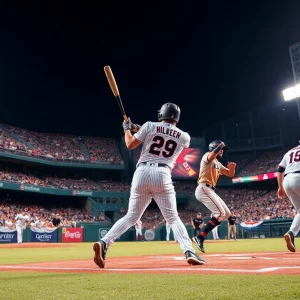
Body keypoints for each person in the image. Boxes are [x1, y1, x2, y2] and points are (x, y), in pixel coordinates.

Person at [93, 103, 205, 268]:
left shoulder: (150, 125)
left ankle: (104, 242)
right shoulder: (184, 136)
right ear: (176, 117)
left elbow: (131, 144)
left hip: (142, 172)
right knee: (173, 217)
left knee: (132, 217)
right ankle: (188, 251)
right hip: (163, 174)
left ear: (162, 114)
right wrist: (135, 127)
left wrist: (127, 129)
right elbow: (162, 132)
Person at [194, 140, 236, 253]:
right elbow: (212, 155)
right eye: (221, 148)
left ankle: (200, 236)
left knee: (226, 214)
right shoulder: (207, 155)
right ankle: (200, 237)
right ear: (214, 148)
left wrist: (232, 168)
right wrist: (218, 147)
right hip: (203, 187)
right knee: (220, 213)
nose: (222, 151)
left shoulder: (218, 163)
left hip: (211, 189)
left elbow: (230, 174)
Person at [277, 143, 300, 252]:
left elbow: (280, 170)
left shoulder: (289, 151)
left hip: (287, 180)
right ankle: (291, 233)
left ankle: (291, 233)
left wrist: (280, 187)